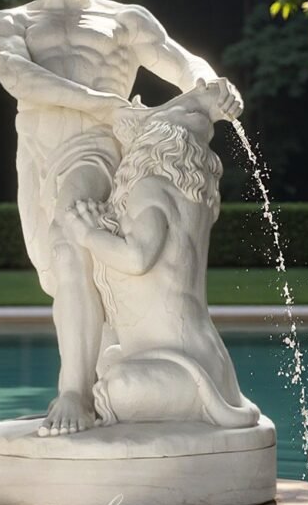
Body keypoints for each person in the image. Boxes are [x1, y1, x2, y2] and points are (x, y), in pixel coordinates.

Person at [0, 0, 243, 436]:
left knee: (70, 244)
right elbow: (19, 77)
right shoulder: (11, 22)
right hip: (40, 150)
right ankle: (108, 377)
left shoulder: (125, 20)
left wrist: (210, 84)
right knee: (59, 271)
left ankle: (73, 391)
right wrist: (105, 103)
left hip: (99, 147)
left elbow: (177, 60)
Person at [63, 80, 260, 429]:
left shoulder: (149, 187)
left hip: (179, 366)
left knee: (115, 386)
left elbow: (138, 258)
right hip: (205, 362)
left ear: (151, 142)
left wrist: (88, 234)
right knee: (111, 358)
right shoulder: (192, 198)